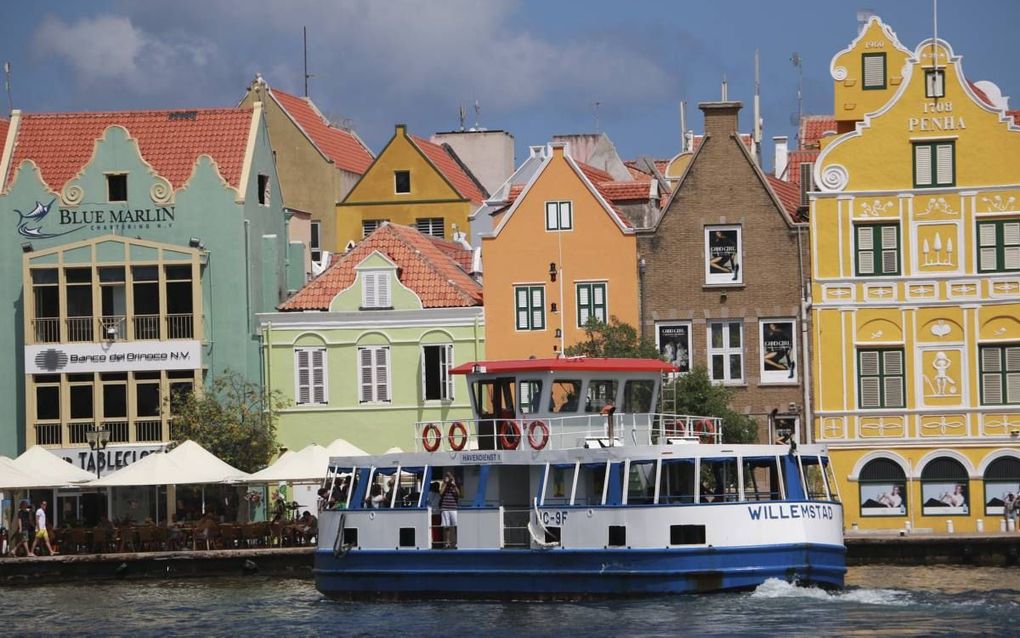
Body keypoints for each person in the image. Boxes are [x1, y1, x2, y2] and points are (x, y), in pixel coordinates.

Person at [439, 472, 460, 549]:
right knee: (446, 526)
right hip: (445, 508)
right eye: (447, 477)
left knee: (456, 525)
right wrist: (445, 483)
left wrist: (453, 485)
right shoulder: (444, 485)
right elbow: (441, 493)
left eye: (450, 477)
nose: (448, 478)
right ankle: (447, 542)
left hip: (453, 508)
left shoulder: (454, 485)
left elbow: (458, 494)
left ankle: (457, 542)